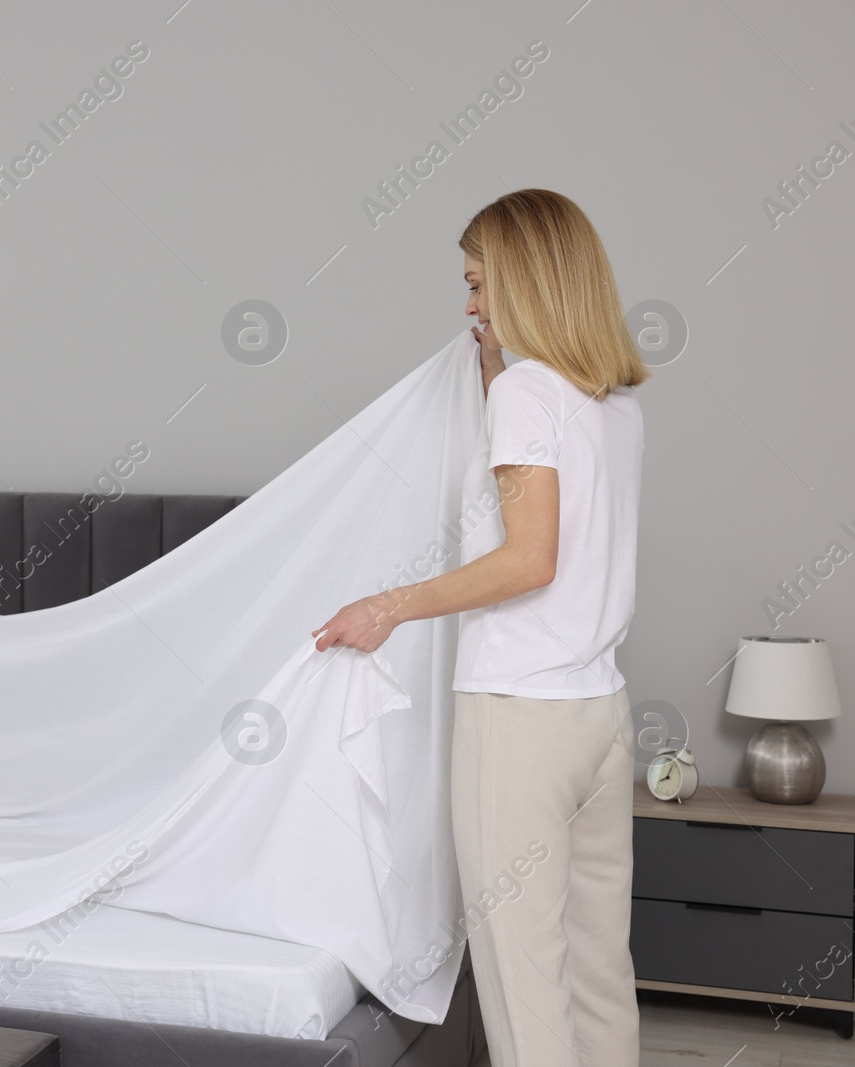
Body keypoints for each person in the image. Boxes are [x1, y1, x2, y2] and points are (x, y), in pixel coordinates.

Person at [312, 189, 648, 1067]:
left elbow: (529, 559)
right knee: (599, 973)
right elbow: (559, 534)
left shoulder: (529, 396)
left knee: (523, 981)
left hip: (520, 720)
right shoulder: (613, 403)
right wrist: (498, 374)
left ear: (526, 283)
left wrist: (383, 607)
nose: (468, 307)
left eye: (476, 285)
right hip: (601, 717)